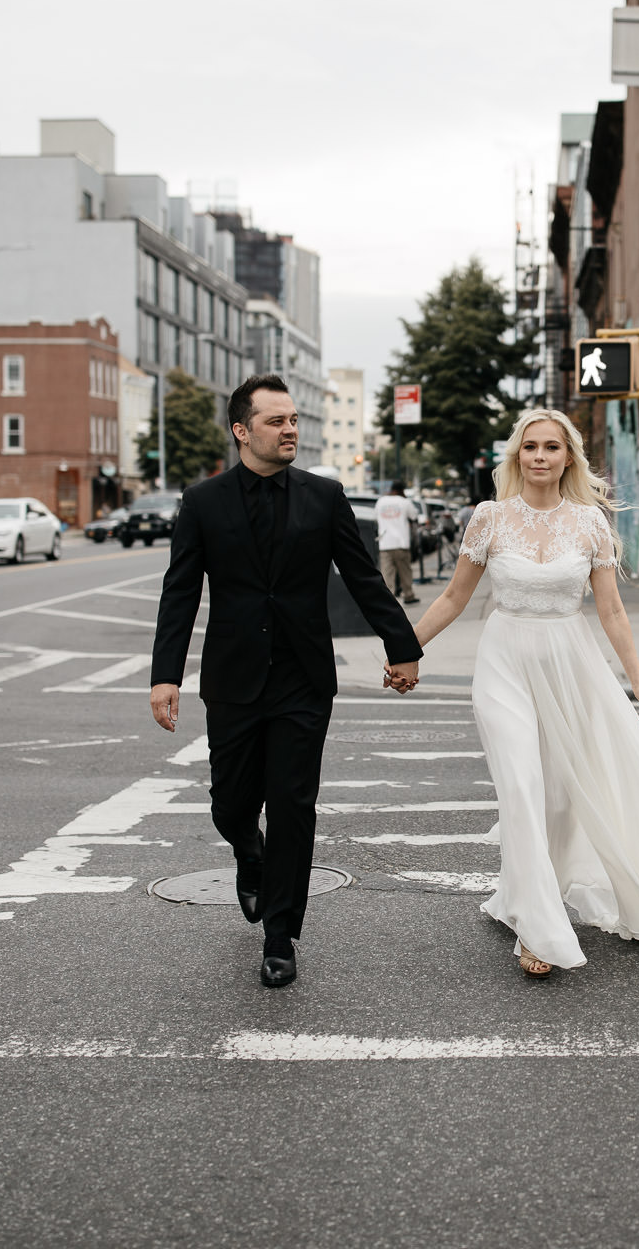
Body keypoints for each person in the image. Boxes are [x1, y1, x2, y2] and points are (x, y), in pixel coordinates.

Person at [409, 408, 639, 976]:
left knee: (559, 798)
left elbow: (610, 609)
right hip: (503, 660)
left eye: (551, 447)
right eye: (529, 447)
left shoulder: (589, 523)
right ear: (517, 456)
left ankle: (520, 893)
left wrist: (638, 681)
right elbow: (454, 599)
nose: (539, 456)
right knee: (522, 783)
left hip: (570, 665)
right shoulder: (488, 518)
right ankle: (539, 930)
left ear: (568, 457)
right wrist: (405, 648)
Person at [149, 374, 421, 989]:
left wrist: (401, 647)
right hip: (233, 678)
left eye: (294, 419)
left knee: (294, 805)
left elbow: (363, 577)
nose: (291, 428)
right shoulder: (203, 502)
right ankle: (249, 852)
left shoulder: (324, 497)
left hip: (303, 677)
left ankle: (280, 936)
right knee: (231, 803)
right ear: (242, 431)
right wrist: (166, 675)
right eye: (276, 421)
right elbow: (181, 591)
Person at [374, 480, 420, 604]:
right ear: (402, 490)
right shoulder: (405, 502)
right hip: (401, 543)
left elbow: (376, 518)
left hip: (385, 544)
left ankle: (390, 600)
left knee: (387, 574)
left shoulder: (380, 501)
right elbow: (414, 517)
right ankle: (408, 595)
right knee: (405, 572)